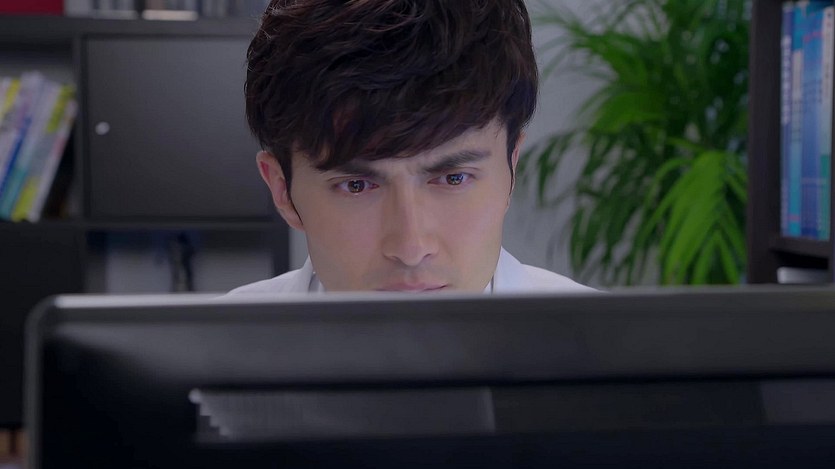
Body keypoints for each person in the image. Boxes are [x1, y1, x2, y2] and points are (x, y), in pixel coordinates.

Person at [230, 0, 593, 294]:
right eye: (356, 185)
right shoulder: (213, 353)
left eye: (454, 178)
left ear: (511, 171)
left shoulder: (609, 349)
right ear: (282, 190)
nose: (411, 249)